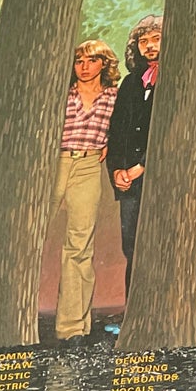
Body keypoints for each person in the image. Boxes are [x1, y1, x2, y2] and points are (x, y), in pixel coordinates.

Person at [54, 39, 118, 341]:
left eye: (91, 60)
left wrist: (109, 144)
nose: (84, 67)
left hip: (89, 166)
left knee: (79, 246)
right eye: (79, 61)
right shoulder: (62, 93)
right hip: (55, 163)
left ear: (104, 64)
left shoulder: (113, 96)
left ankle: (73, 327)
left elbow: (121, 129)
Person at [106, 14, 161, 294]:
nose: (149, 46)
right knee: (132, 246)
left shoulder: (178, 80)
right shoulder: (130, 83)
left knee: (159, 243)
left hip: (160, 178)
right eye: (143, 41)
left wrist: (143, 165)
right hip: (130, 183)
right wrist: (117, 170)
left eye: (156, 39)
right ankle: (134, 307)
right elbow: (116, 131)